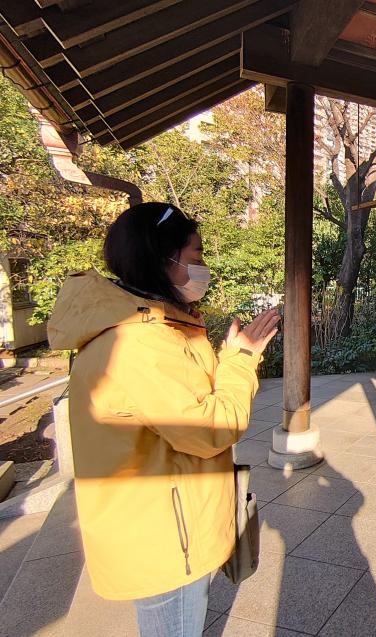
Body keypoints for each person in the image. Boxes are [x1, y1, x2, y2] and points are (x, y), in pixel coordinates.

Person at [47, 202, 281, 637]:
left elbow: (185, 401)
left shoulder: (155, 323)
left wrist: (232, 356)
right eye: (195, 256)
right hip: (164, 531)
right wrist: (243, 359)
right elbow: (212, 427)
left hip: (168, 515)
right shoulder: (140, 342)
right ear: (163, 258)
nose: (203, 266)